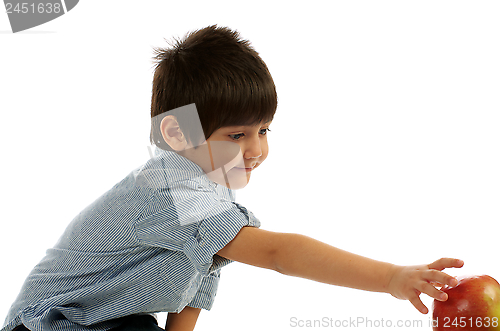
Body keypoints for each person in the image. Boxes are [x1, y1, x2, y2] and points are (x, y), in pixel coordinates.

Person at [2, 25, 464, 331]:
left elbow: (196, 282)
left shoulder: (208, 190)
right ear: (176, 132)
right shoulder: (173, 187)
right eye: (237, 134)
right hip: (52, 323)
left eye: (264, 130)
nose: (257, 150)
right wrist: (390, 278)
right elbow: (281, 253)